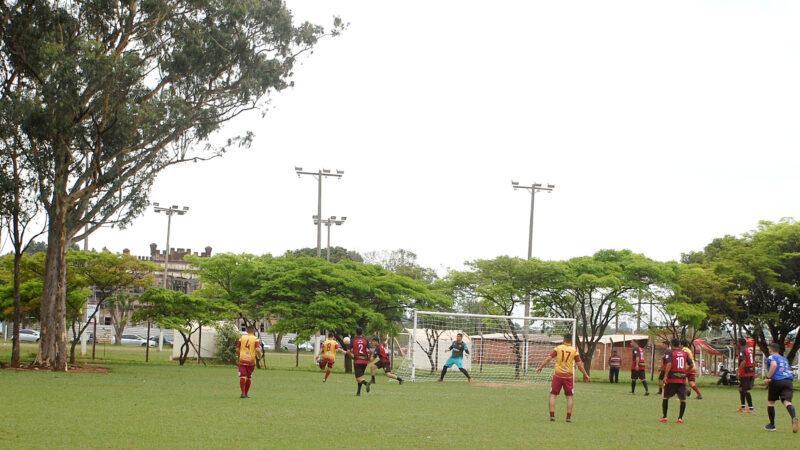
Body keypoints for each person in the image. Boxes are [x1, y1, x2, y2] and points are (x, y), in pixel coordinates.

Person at [537, 333, 591, 422]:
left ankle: (552, 416)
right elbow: (579, 365)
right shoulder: (574, 351)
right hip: (568, 376)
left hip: (558, 375)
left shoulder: (558, 348)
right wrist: (585, 374)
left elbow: (548, 358)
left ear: (563, 339)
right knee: (569, 397)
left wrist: (541, 367)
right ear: (571, 340)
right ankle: (568, 417)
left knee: (553, 395)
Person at [763, 342, 798, 433]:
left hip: (777, 381)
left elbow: (774, 365)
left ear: (771, 349)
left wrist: (768, 377)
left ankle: (772, 425)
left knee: (771, 402)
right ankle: (794, 417)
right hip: (788, 381)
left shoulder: (772, 357)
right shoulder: (784, 359)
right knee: (787, 402)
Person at [660, 338, 693, 424]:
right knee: (683, 399)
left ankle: (665, 417)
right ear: (679, 344)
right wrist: (685, 371)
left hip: (672, 378)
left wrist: (665, 376)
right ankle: (680, 419)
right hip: (682, 378)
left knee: (666, 397)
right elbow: (692, 365)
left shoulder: (669, 352)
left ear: (671, 344)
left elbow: (669, 364)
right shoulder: (685, 353)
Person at [236, 325, 262, 399]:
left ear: (246, 330)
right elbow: (257, 349)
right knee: (249, 377)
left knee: (242, 376)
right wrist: (260, 359)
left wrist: (239, 356)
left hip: (242, 359)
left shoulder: (242, 338)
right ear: (254, 331)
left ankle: (243, 393)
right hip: (251, 360)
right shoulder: (255, 339)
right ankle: (246, 393)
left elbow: (237, 349)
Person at [350, 327, 371, 396]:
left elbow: (348, 351)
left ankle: (366, 383)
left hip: (358, 360)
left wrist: (352, 357)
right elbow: (371, 350)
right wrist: (369, 358)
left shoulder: (353, 340)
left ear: (356, 333)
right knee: (360, 376)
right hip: (365, 360)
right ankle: (358, 392)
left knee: (358, 378)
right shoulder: (366, 340)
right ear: (362, 333)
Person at [736, 337, 756, 413]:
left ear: (740, 343)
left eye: (738, 342)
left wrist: (738, 371)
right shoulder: (749, 350)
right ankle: (743, 407)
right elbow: (752, 362)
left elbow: (743, 362)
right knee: (741, 389)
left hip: (745, 373)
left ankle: (751, 408)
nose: (737, 344)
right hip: (750, 371)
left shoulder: (742, 350)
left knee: (746, 390)